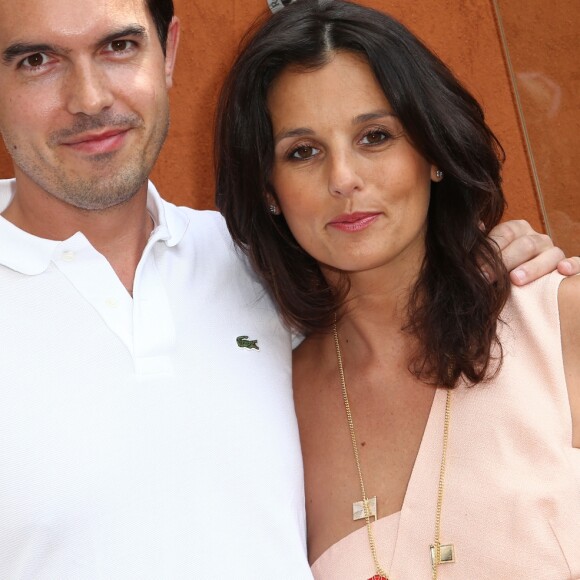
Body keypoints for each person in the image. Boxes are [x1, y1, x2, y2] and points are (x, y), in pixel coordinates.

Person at [0, 1, 576, 578]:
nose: (91, 98)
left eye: (118, 47)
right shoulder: (292, 350)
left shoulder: (248, 272)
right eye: (36, 60)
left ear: (167, 50)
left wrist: (514, 269)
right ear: (270, 188)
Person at [215, 1, 580, 578]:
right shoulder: (267, 405)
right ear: (268, 190)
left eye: (376, 136)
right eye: (302, 152)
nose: (343, 179)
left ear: (431, 151)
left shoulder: (560, 322)